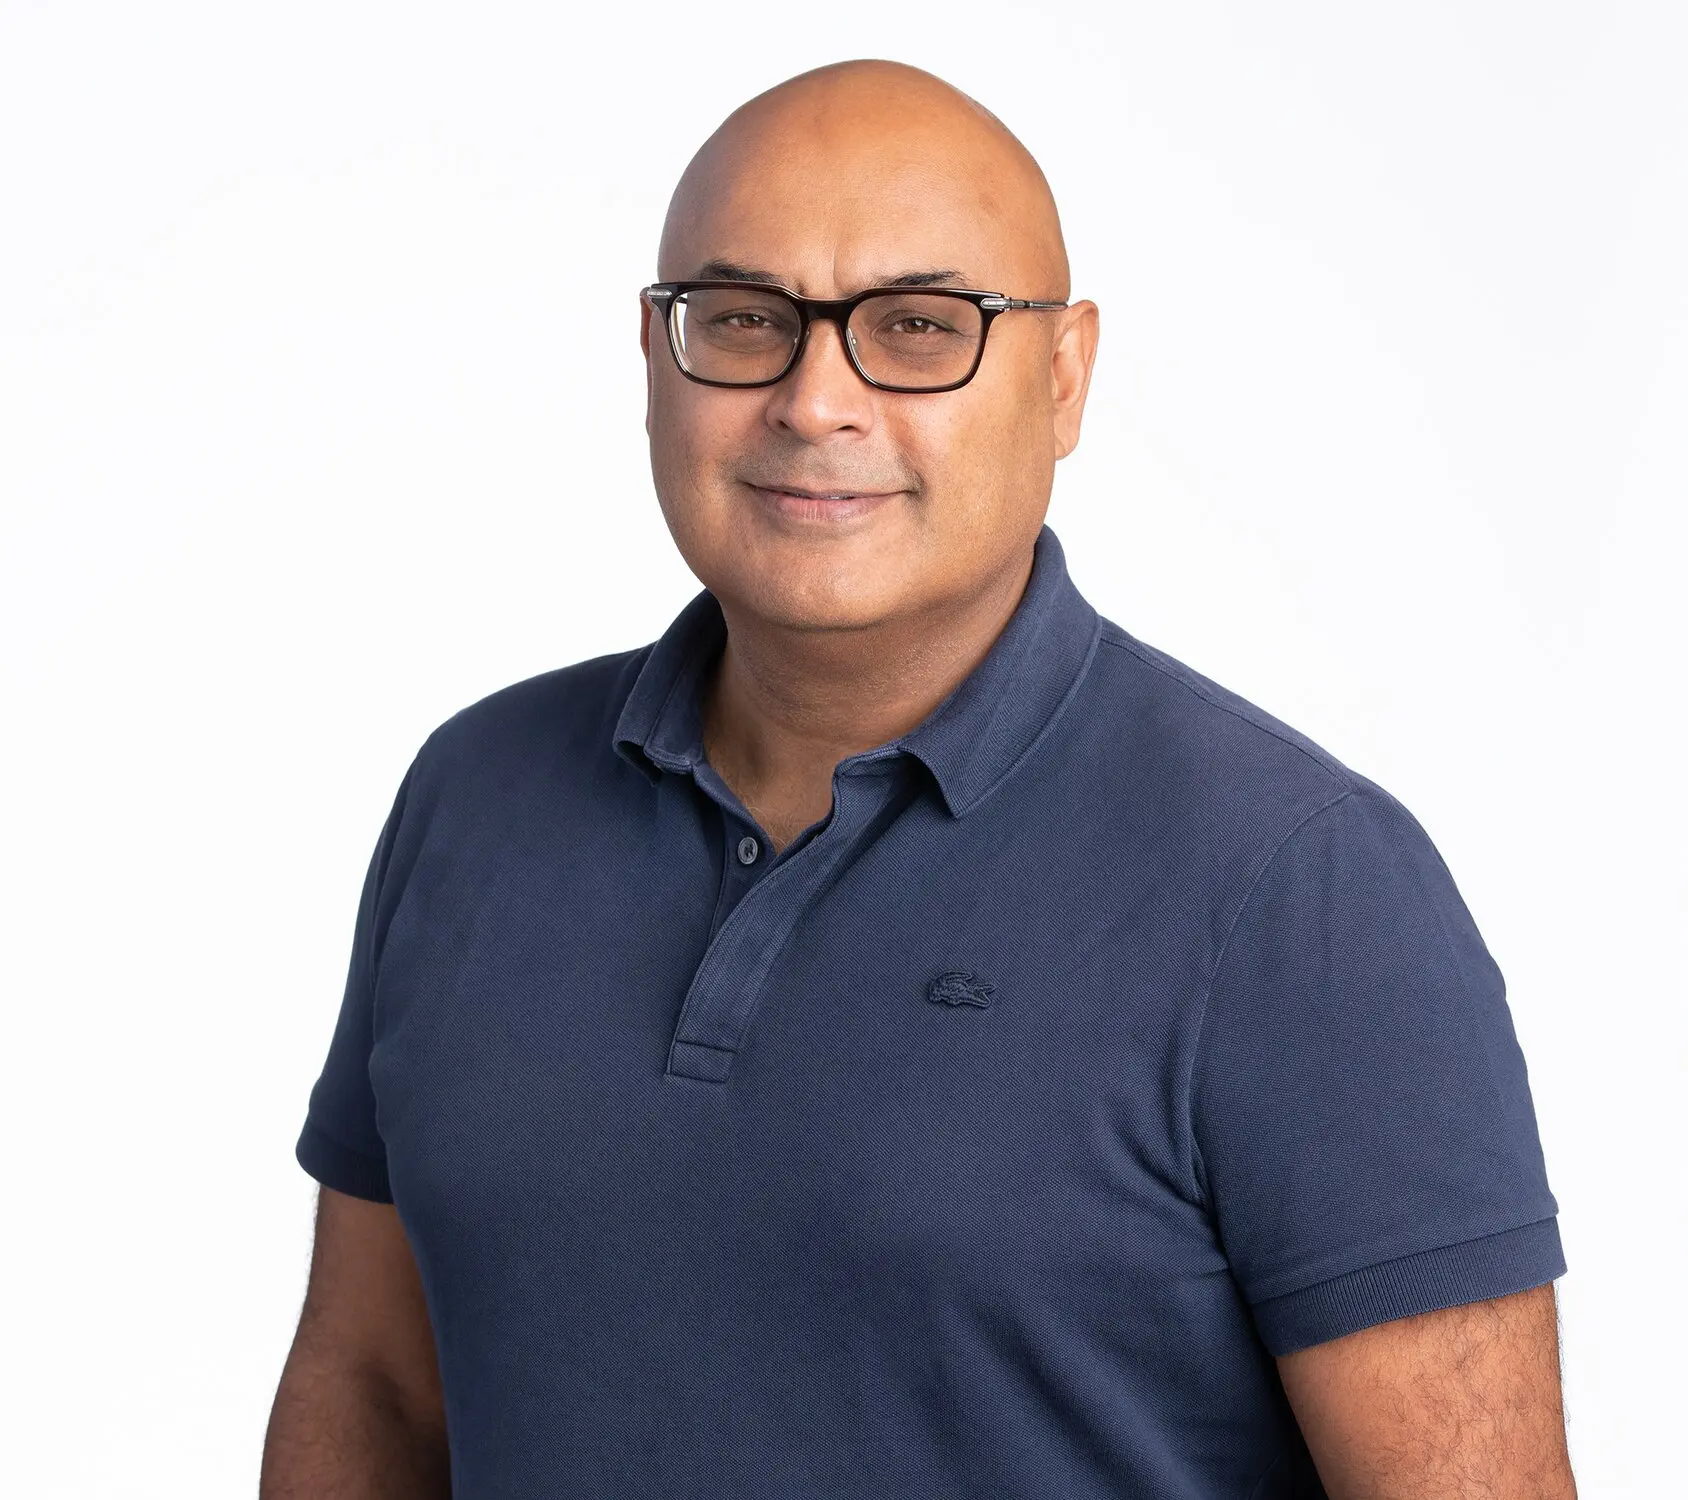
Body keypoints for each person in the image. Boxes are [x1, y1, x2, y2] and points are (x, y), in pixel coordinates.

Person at [261, 58, 1576, 1499]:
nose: (815, 401)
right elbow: (373, 1384)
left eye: (918, 328)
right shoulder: (475, 794)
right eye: (745, 318)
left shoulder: (1299, 887)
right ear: (654, 353)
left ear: (1064, 377)